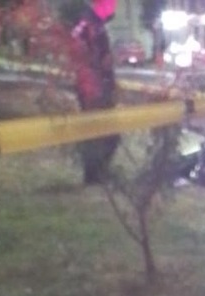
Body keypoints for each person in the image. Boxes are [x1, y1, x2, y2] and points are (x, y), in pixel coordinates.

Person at [71, 0, 119, 186]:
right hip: (93, 88)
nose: (114, 6)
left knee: (107, 134)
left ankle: (97, 173)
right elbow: (79, 53)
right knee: (100, 133)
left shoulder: (96, 24)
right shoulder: (87, 25)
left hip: (98, 86)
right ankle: (94, 175)